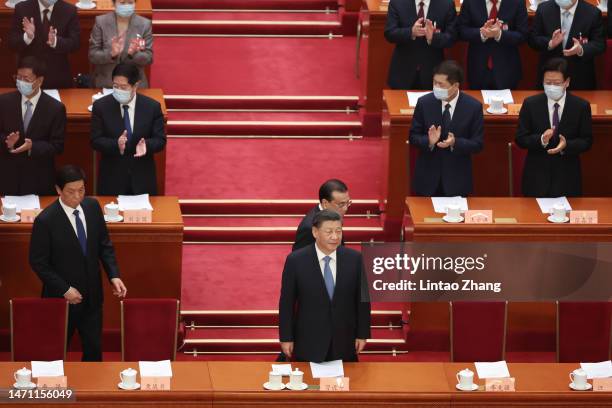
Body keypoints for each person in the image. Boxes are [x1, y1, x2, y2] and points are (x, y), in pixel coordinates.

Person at [29, 165, 127, 361]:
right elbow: (38, 262)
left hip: (92, 296)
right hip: (61, 298)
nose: (77, 196)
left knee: (94, 351)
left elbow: (104, 245)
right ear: (58, 190)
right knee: (54, 353)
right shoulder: (46, 220)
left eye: (81, 190)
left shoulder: (92, 207)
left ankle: (91, 391)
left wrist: (114, 275)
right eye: (71, 191)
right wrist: (65, 289)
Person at [279, 209, 371, 362]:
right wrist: (286, 337)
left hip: (344, 339)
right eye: (329, 232)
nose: (335, 237)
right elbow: (287, 302)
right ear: (315, 232)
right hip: (308, 340)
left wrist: (362, 334)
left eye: (338, 231)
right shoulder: (296, 261)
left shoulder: (355, 259)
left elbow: (363, 300)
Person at [515, 58, 592, 197]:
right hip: (536, 176)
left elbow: (586, 141)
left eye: (556, 83)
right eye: (547, 83)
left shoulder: (580, 106)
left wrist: (567, 145)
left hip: (568, 177)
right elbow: (520, 139)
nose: (551, 87)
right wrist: (541, 139)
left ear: (567, 82)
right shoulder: (530, 104)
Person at [408, 60, 484, 197]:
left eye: (441, 84)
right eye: (434, 83)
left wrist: (456, 142)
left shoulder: (473, 107)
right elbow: (413, 137)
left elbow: (478, 144)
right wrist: (429, 141)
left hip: (457, 180)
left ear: (455, 86)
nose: (436, 87)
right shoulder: (425, 103)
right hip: (427, 180)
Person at [90, 63, 166, 195]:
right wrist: (116, 144)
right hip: (112, 178)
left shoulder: (151, 107)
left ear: (135, 86)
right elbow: (95, 140)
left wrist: (146, 145)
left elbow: (160, 140)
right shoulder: (101, 107)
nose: (118, 90)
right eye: (115, 86)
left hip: (142, 178)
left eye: (123, 87)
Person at [0, 56, 65, 195]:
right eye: (18, 78)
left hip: (39, 178)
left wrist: (32, 147)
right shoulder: (4, 102)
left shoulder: (55, 108)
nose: (21, 82)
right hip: (8, 176)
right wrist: (7, 142)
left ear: (39, 80)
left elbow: (57, 146)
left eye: (26, 79)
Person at [528, 0, 605, 90]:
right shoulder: (543, 9)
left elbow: (600, 44)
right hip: (550, 78)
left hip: (580, 78)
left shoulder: (592, 13)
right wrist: (550, 43)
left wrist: (581, 49)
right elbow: (532, 39)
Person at [385, 0, 457, 90]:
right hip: (403, 71)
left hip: (433, 73)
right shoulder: (397, 2)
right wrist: (411, 32)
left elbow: (452, 37)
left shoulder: (446, 4)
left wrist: (433, 38)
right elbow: (389, 33)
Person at [457, 0, 528, 89]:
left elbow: (523, 35)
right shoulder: (470, 2)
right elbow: (461, 31)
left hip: (507, 67)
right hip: (478, 66)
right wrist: (482, 33)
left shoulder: (517, 2)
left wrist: (499, 34)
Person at [8, 0, 80, 89]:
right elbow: (12, 43)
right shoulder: (22, 8)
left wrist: (56, 42)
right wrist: (27, 37)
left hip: (58, 78)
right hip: (28, 78)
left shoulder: (69, 10)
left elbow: (75, 44)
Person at [88, 0, 154, 88]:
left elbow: (149, 58)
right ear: (114, 4)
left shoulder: (145, 24)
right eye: (122, 2)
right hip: (106, 83)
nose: (126, 6)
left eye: (130, 2)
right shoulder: (101, 22)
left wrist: (133, 54)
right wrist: (111, 54)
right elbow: (92, 56)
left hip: (134, 85)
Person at [292, 179, 350, 252]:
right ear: (325, 203)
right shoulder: (309, 228)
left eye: (348, 203)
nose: (345, 208)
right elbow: (299, 258)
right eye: (341, 204)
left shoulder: (333, 215)